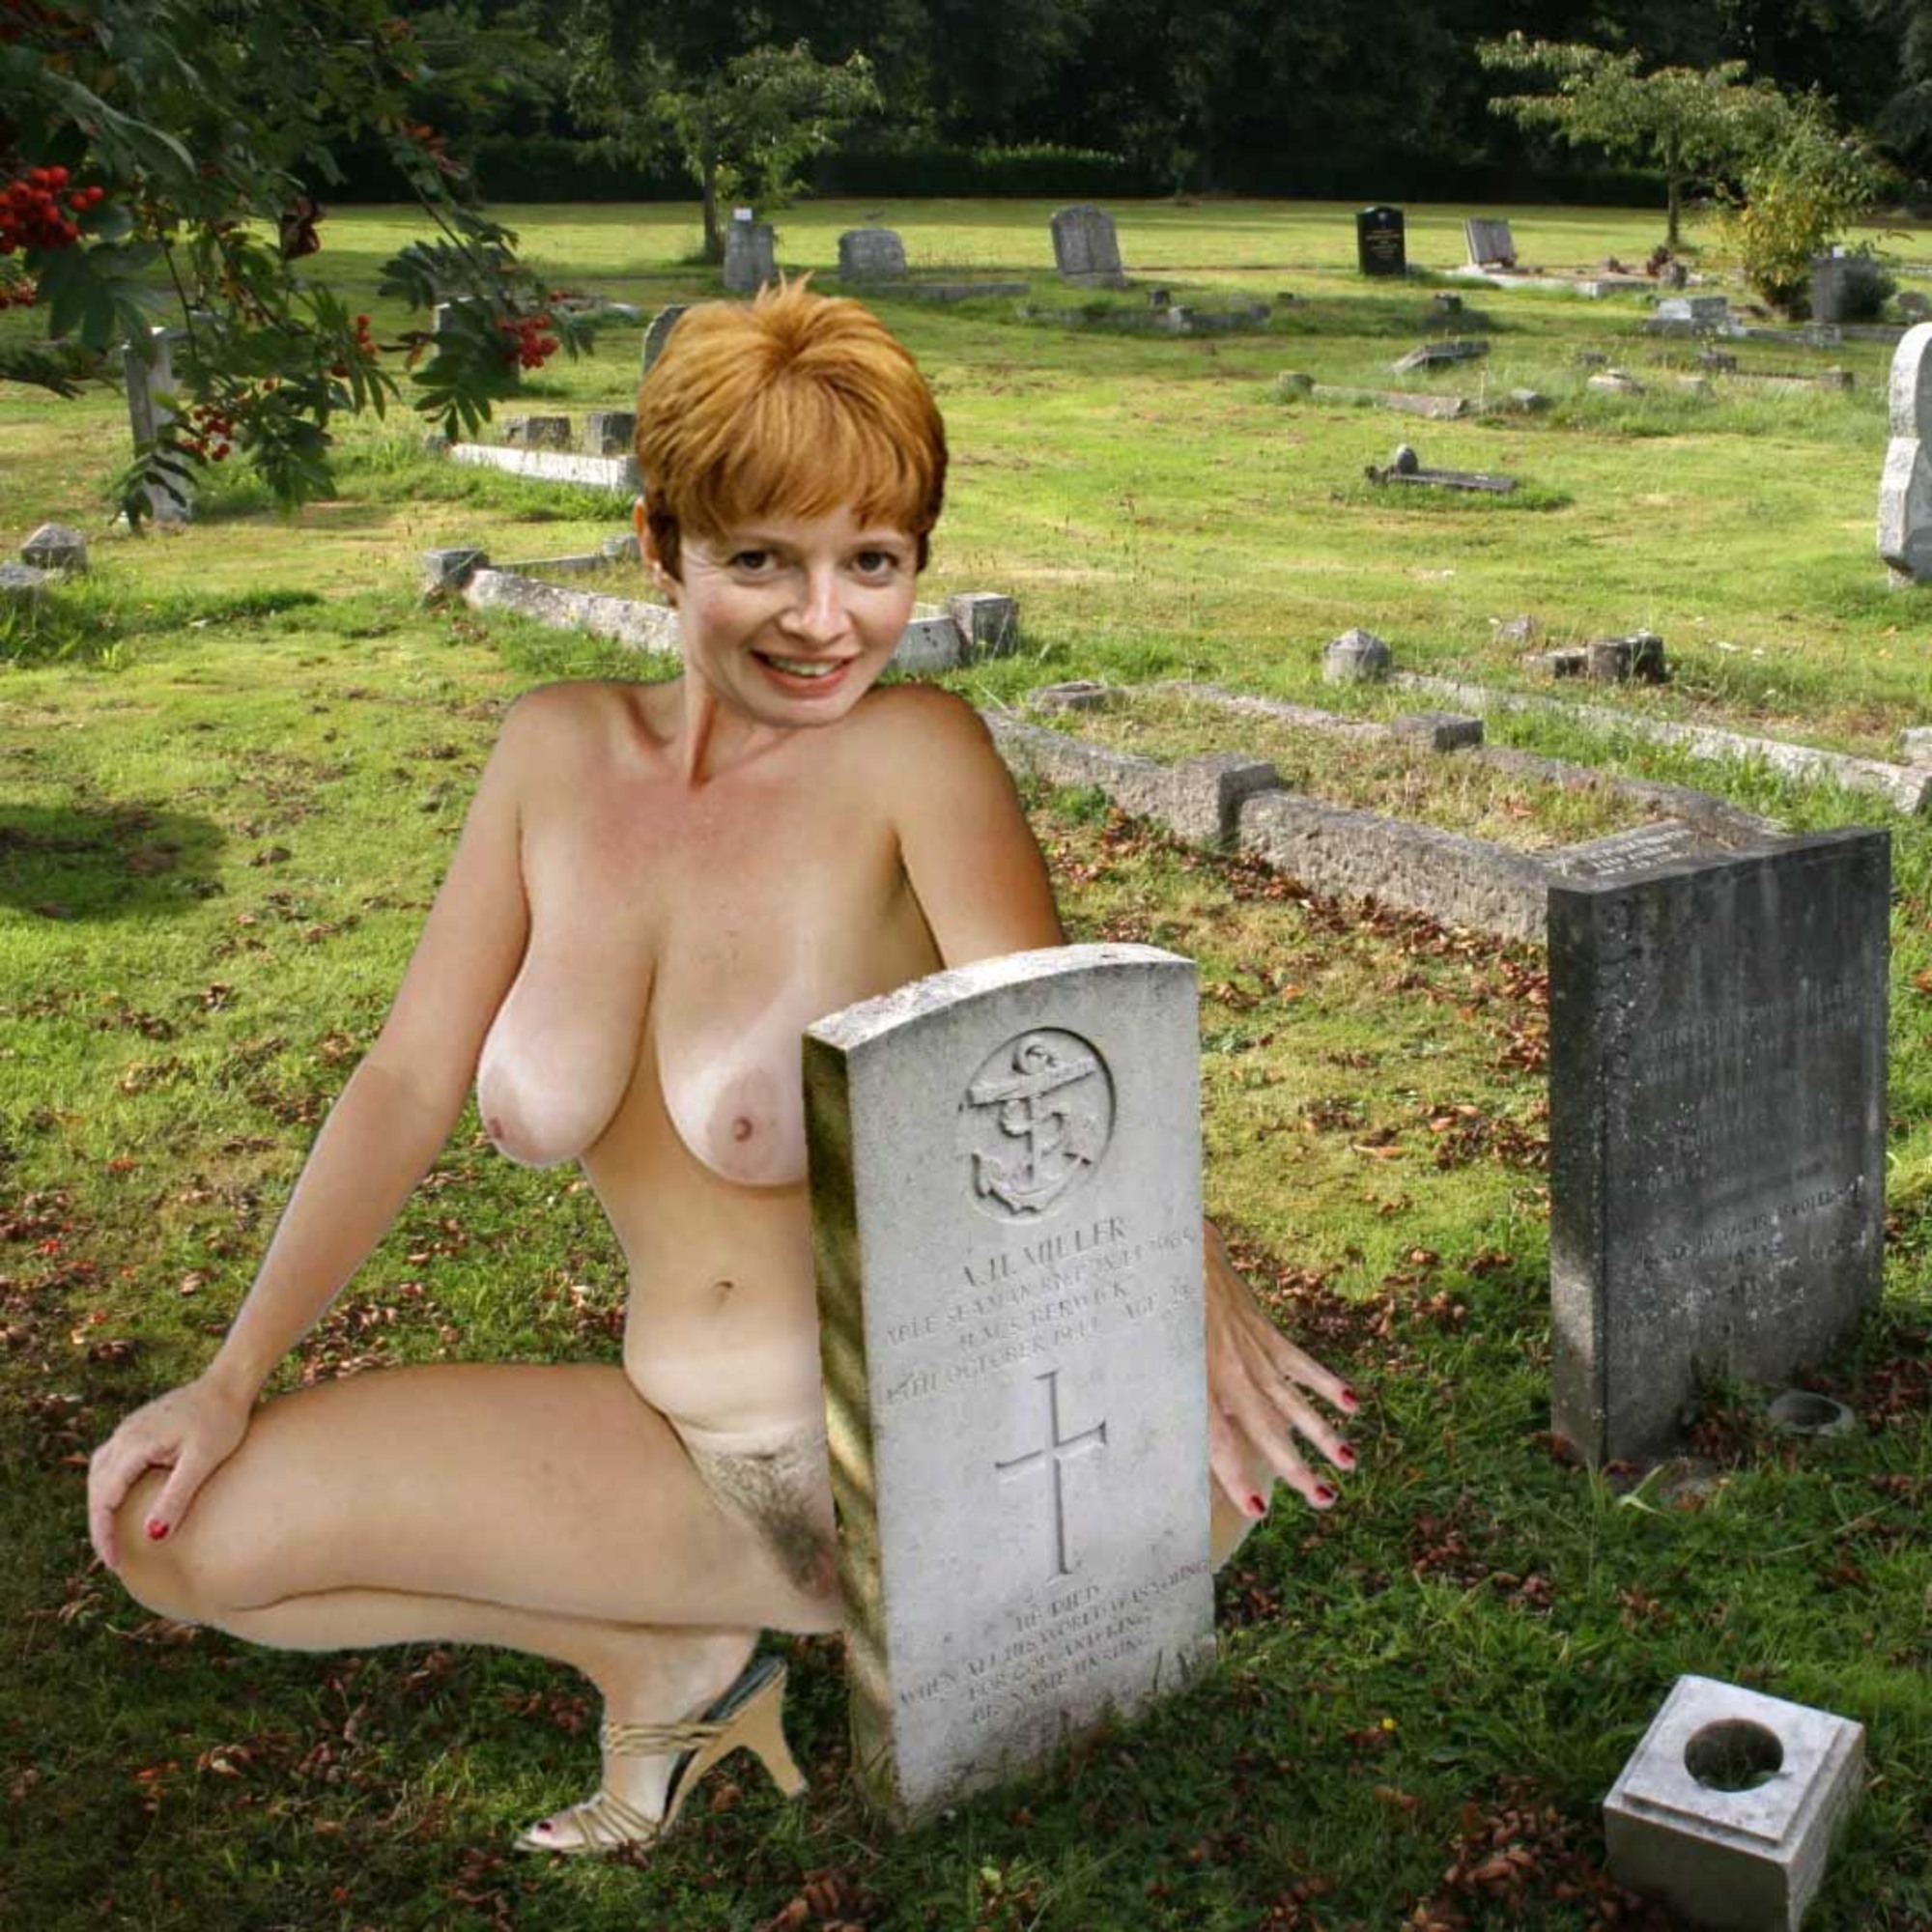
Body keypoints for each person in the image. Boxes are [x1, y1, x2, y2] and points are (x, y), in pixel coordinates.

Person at [87, 281, 1360, 1857]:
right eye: (760, 559)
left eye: (873, 563)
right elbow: (408, 1080)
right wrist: (229, 1377)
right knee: (174, 1534)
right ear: (660, 544)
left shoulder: (915, 759)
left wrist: (1199, 1293)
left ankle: (811, 1623)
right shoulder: (552, 752)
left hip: (925, 1457)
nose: (824, 621)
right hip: (675, 1450)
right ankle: (662, 1657)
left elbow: (1071, 1063)